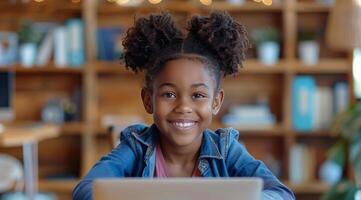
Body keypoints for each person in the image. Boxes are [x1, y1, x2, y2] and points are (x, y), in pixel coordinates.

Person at [73, 11, 295, 200]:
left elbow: (281, 194)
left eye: (198, 95)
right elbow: (87, 189)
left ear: (216, 102)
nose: (183, 107)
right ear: (148, 100)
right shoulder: (135, 147)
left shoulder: (226, 150)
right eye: (169, 94)